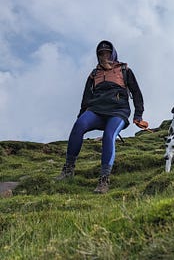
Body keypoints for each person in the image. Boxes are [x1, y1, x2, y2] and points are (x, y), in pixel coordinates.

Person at [55, 40, 145, 194]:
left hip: (118, 111)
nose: (105, 56)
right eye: (101, 53)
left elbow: (136, 93)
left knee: (109, 135)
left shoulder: (125, 70)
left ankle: (104, 180)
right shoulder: (94, 74)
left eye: (107, 53)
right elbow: (86, 97)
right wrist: (81, 115)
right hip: (96, 109)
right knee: (78, 126)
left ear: (113, 53)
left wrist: (138, 115)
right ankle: (68, 170)